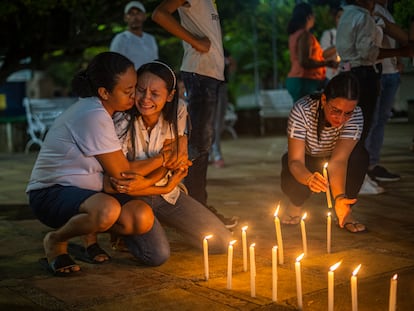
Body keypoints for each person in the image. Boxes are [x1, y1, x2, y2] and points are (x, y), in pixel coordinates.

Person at [26, 52, 181, 276]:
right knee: (108, 210)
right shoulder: (93, 114)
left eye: (133, 88)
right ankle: (56, 241)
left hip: (89, 192)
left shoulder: (106, 111)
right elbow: (124, 172)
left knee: (141, 216)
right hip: (51, 193)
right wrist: (164, 158)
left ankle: (90, 233)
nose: (134, 97)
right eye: (129, 91)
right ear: (104, 92)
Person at [110, 61, 233, 265]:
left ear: (169, 96)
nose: (146, 98)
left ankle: (166, 222)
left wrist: (157, 182)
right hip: (132, 198)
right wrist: (161, 163)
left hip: (166, 194)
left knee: (222, 242)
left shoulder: (178, 112)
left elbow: (172, 163)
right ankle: (121, 227)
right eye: (140, 90)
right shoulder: (123, 119)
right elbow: (123, 173)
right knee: (156, 255)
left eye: (155, 93)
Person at [152, 0, 238, 228]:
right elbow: (160, 14)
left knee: (202, 144)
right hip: (200, 73)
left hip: (209, 75)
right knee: (199, 145)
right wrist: (196, 43)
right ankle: (192, 208)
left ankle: (193, 206)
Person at [336, 0, 414, 194]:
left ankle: (355, 177)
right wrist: (401, 52)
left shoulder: (350, 14)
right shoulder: (363, 17)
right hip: (363, 75)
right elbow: (368, 52)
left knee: (356, 130)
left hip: (352, 74)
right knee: (360, 131)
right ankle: (356, 180)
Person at [280, 72, 368, 233]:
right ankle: (295, 203)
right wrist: (308, 178)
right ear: (324, 100)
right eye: (335, 110)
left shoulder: (356, 116)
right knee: (295, 177)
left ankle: (345, 211)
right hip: (305, 159)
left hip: (333, 159)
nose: (341, 119)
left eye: (347, 113)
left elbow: (339, 161)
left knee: (359, 157)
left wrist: (339, 198)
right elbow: (295, 161)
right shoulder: (303, 110)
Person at [365, 0, 406, 182]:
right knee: (372, 121)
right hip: (378, 72)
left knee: (380, 120)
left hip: (391, 72)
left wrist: (398, 57)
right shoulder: (369, 11)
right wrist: (399, 54)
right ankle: (364, 168)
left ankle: (372, 164)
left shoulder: (385, 11)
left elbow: (394, 36)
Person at [286, 2, 338, 102]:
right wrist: (327, 63)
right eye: (314, 15)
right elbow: (304, 61)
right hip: (304, 80)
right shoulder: (305, 35)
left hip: (299, 79)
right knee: (307, 115)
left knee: (303, 114)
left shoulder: (294, 35)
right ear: (309, 17)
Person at [110, 1, 159, 70]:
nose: (135, 17)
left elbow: (155, 63)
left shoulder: (151, 39)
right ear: (125, 18)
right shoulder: (121, 39)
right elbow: (114, 66)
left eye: (138, 13)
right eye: (131, 14)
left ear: (144, 16)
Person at [210, 48, 236, 168]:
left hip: (220, 86)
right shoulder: (203, 45)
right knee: (210, 123)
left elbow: (232, 64)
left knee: (218, 123)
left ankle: (214, 153)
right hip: (207, 87)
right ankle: (214, 154)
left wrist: (228, 65)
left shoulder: (222, 49)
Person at [319, 7, 343, 81]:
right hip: (331, 77)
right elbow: (323, 54)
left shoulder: (353, 36)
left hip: (347, 75)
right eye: (339, 17)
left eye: (344, 17)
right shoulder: (329, 34)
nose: (342, 20)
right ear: (335, 19)